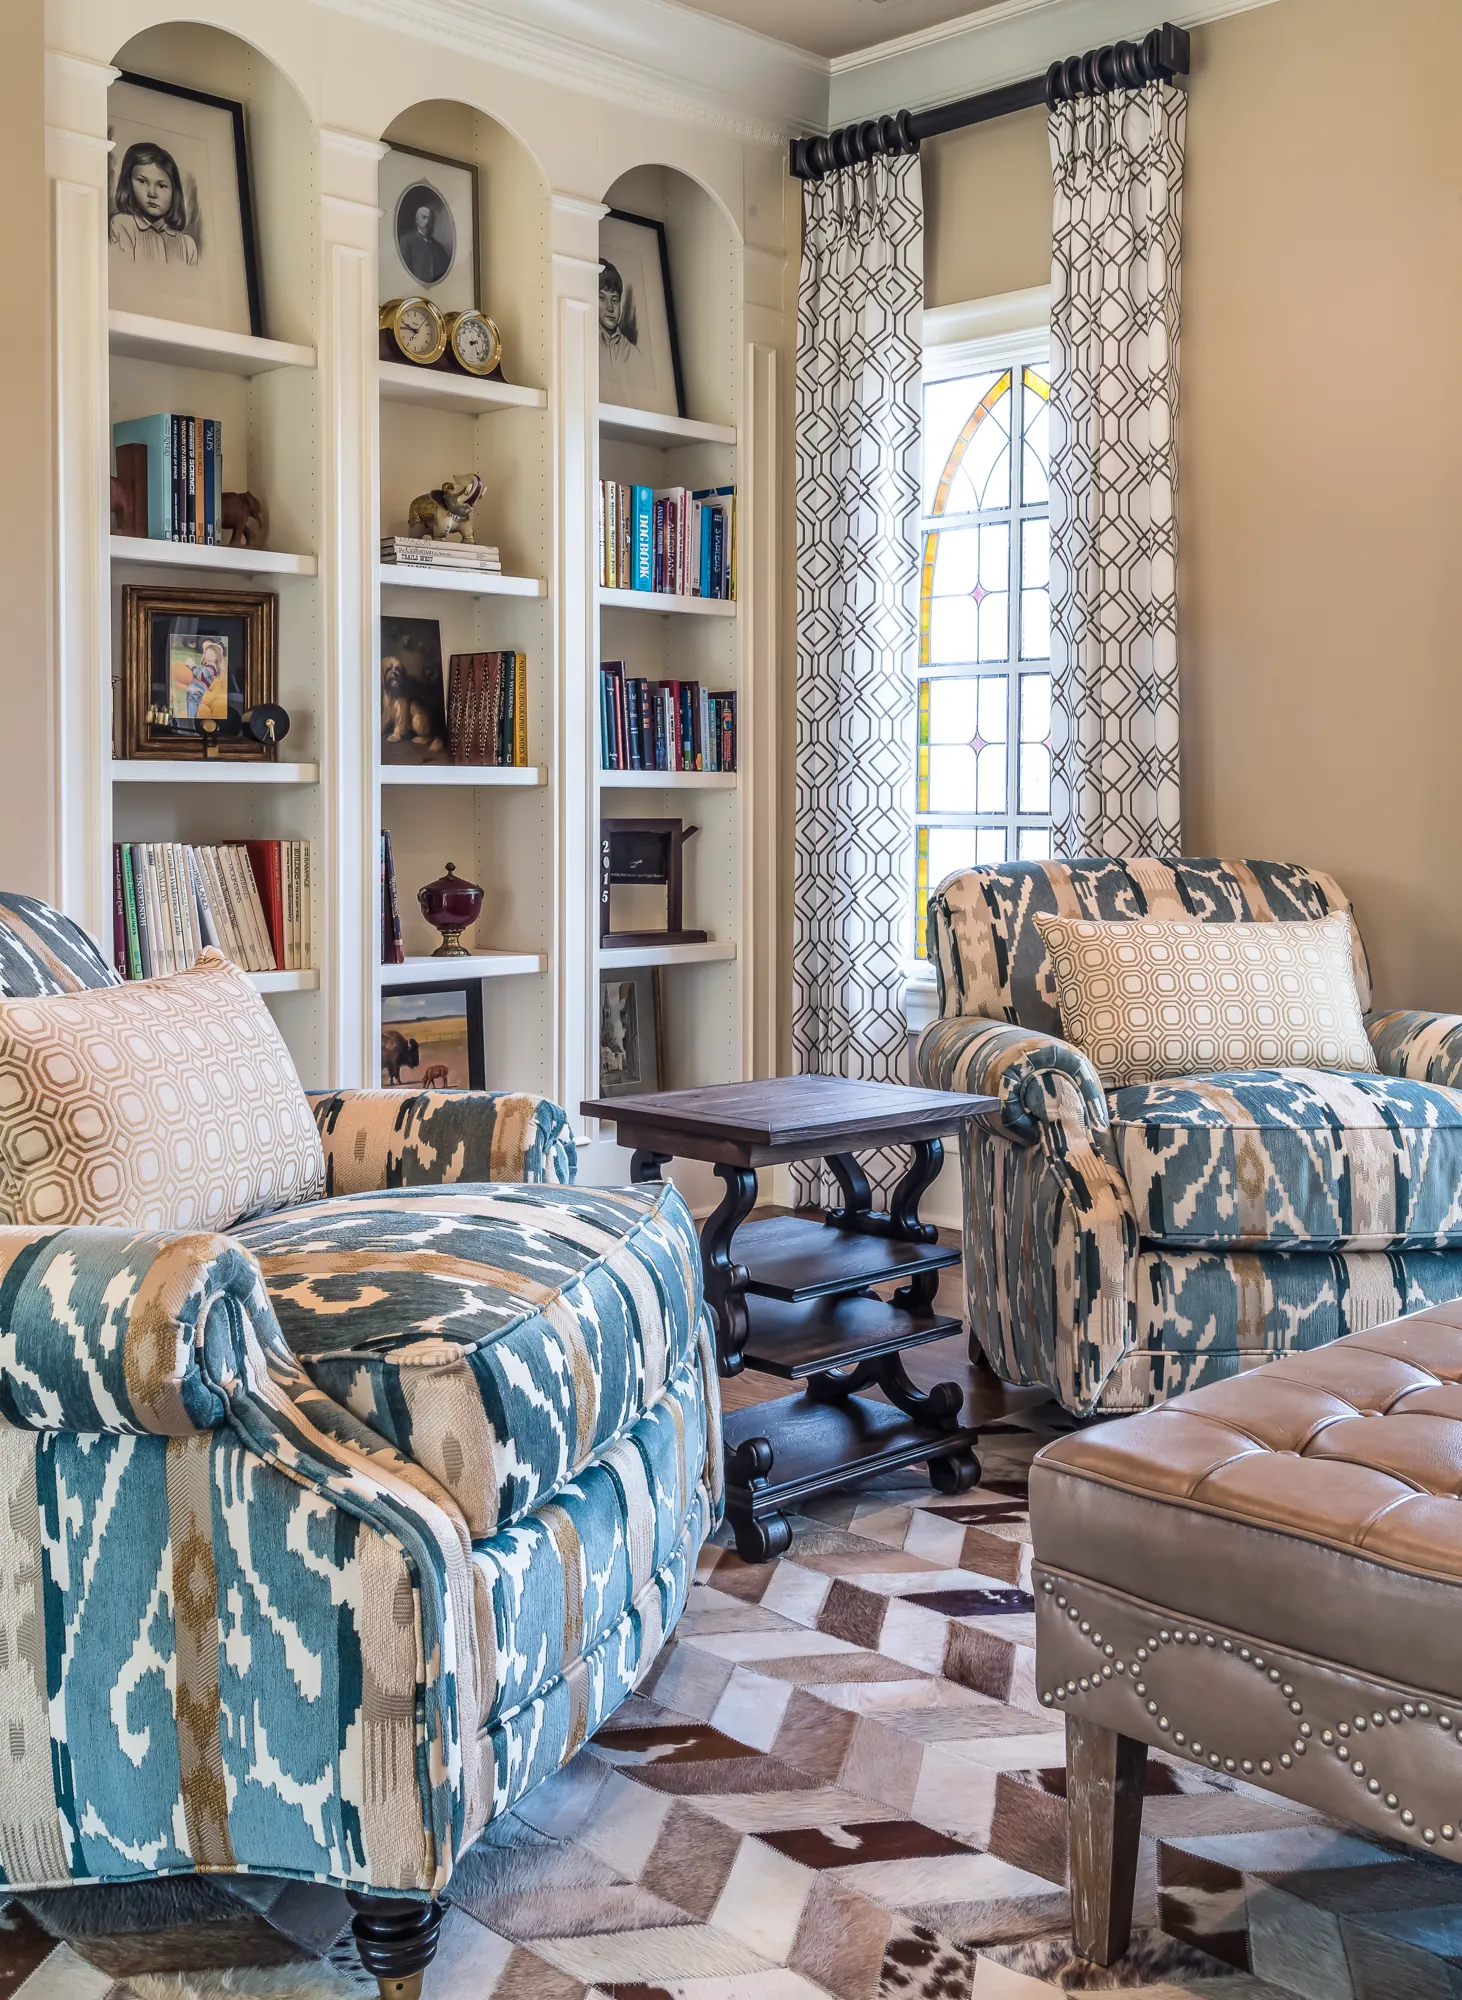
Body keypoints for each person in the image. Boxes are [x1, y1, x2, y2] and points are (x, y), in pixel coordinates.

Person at [110, 141, 198, 265]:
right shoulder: (122, 225)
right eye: (142, 181)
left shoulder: (187, 245)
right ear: (129, 184)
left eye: (161, 185)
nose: (152, 193)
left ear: (174, 192)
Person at [398, 191, 451, 285]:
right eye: (424, 217)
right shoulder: (407, 241)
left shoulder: (439, 248)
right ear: (417, 220)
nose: (427, 222)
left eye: (430, 219)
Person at [598, 261, 639, 363]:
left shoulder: (632, 352)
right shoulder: (585, 343)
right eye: (602, 298)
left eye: (614, 300)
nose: (610, 308)